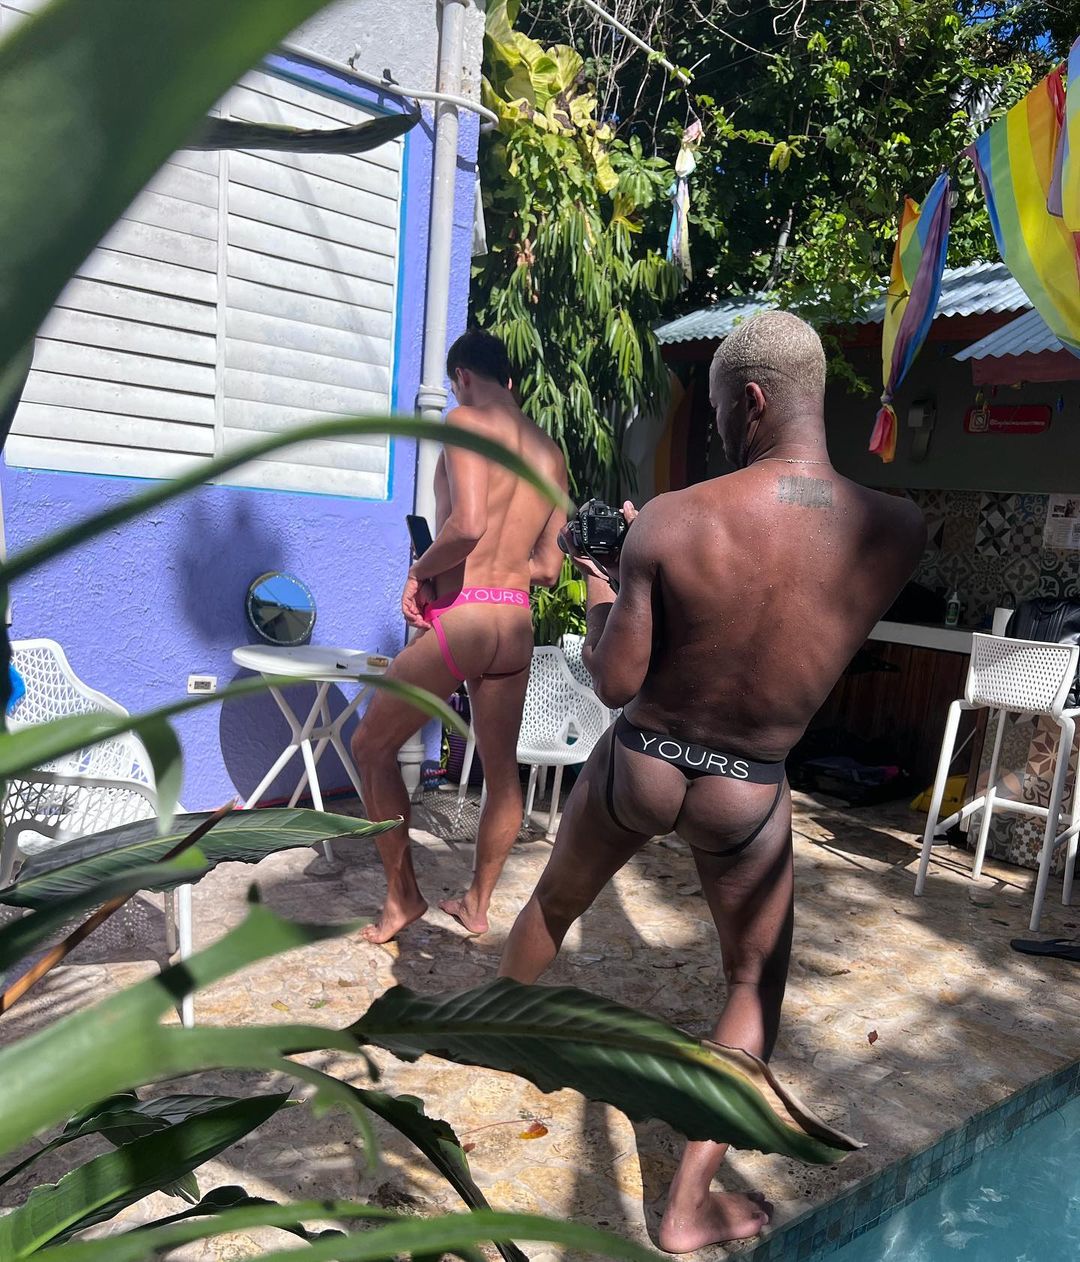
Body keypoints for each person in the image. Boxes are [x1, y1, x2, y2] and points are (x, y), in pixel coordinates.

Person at [498, 311, 925, 1252]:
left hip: (643, 763)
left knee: (554, 904)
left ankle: (486, 1047)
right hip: (748, 787)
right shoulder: (896, 531)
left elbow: (614, 683)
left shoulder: (674, 518)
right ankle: (689, 1206)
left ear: (754, 399)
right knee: (752, 981)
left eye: (724, 408)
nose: (722, 428)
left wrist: (607, 580)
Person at [351, 329, 569, 944]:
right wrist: (501, 572)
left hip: (467, 618)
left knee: (371, 748)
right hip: (514, 620)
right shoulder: (551, 453)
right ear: (511, 381)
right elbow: (549, 568)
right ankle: (476, 905)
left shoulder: (465, 422)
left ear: (462, 378)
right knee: (502, 772)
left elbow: (468, 525)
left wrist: (419, 572)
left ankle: (403, 898)